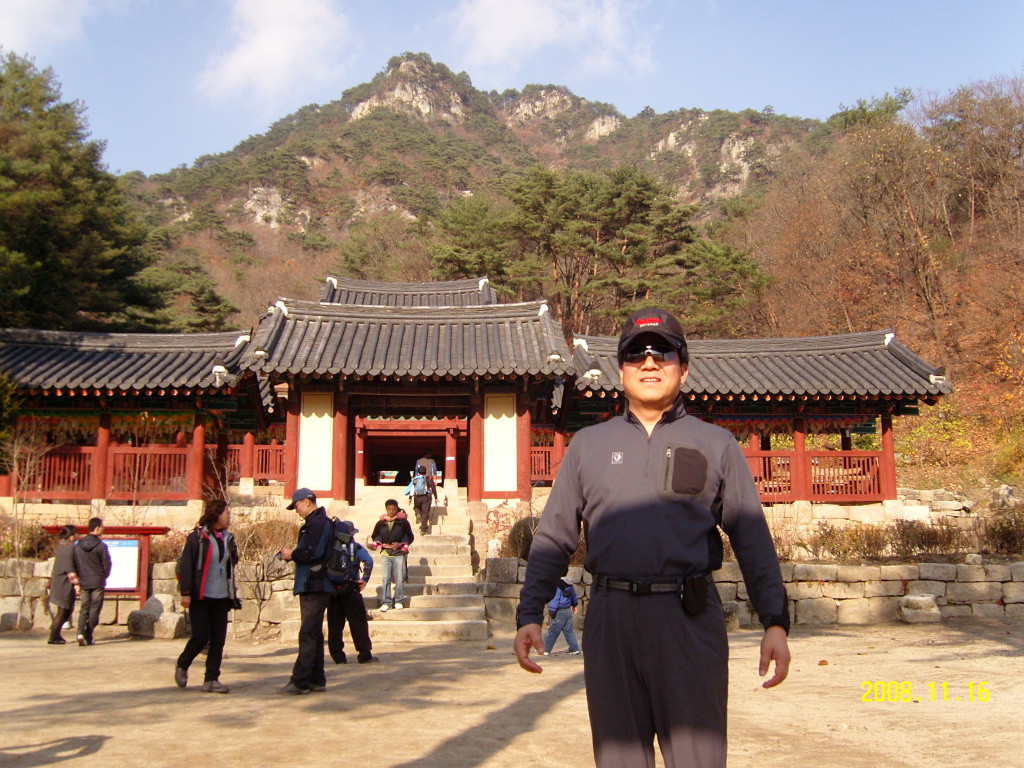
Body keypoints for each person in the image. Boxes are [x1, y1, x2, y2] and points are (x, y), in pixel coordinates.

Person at [514, 307, 791, 768]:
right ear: (621, 370)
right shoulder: (588, 446)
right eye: (635, 354)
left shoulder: (716, 444)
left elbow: (753, 540)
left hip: (687, 621)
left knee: (698, 759)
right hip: (611, 621)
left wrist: (775, 622)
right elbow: (553, 537)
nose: (649, 362)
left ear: (684, 369)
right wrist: (529, 613)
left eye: (663, 352)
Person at [175, 499, 239, 693]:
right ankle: (182, 664)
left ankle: (211, 679)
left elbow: (230, 563)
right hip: (201, 595)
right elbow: (186, 565)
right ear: (216, 514)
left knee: (218, 640)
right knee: (201, 636)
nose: (229, 517)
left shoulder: (228, 538)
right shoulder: (197, 538)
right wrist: (186, 593)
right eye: (226, 513)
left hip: (221, 595)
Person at [277, 488, 334, 695]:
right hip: (314, 582)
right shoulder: (317, 522)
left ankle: (300, 681)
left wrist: (293, 554)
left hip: (315, 582)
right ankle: (316, 679)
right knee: (314, 632)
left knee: (308, 632)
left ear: (307, 502)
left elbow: (313, 552)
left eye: (297, 505)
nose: (296, 510)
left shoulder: (318, 523)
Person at [326, 521, 379, 665]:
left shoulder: (329, 546)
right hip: (351, 587)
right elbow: (369, 561)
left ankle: (338, 657)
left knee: (335, 625)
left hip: (332, 589)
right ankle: (364, 655)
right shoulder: (355, 546)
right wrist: (364, 579)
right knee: (358, 622)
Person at [369, 499, 414, 611]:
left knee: (399, 578)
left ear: (397, 509)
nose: (391, 511)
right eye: (389, 509)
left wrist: (400, 544)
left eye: (393, 509)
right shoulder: (381, 523)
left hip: (398, 553)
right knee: (386, 578)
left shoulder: (403, 522)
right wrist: (381, 543)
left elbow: (410, 536)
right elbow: (375, 535)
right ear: (386, 509)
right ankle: (386, 601)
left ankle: (398, 600)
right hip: (386, 553)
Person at [73, 517, 111, 646]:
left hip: (84, 581)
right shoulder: (101, 546)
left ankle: (80, 633)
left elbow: (75, 563)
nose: (103, 529)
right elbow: (107, 564)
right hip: (97, 582)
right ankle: (88, 635)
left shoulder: (78, 546)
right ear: (97, 528)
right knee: (95, 609)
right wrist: (103, 576)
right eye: (102, 526)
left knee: (84, 608)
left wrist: (80, 577)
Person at [47, 525, 79, 645]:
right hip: (64, 583)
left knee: (66, 609)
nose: (77, 536)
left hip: (59, 581)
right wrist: (76, 583)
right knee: (63, 610)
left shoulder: (61, 546)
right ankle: (53, 636)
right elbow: (69, 568)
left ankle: (56, 634)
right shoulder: (69, 548)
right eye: (76, 533)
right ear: (71, 536)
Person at [541, 576, 580, 656]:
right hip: (568, 610)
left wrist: (552, 612)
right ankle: (574, 649)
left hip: (559, 611)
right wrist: (574, 605)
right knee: (568, 631)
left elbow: (554, 600)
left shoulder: (557, 587)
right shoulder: (570, 586)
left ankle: (545, 649)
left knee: (553, 631)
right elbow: (573, 596)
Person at [404, 465, 438, 535]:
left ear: (418, 472)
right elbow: (433, 488)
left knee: (416, 507)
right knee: (425, 513)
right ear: (425, 472)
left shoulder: (415, 479)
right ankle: (423, 530)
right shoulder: (429, 478)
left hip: (417, 496)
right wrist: (436, 497)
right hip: (426, 497)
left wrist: (410, 498)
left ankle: (418, 513)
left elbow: (412, 489)